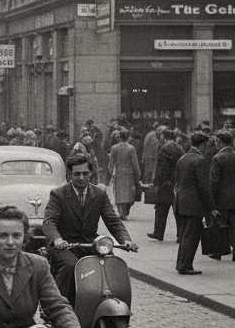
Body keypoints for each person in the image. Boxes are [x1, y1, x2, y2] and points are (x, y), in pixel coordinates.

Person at [42, 153, 136, 302]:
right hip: (65, 246)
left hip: (90, 244)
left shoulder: (99, 194)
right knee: (70, 266)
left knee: (111, 262)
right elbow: (49, 222)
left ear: (91, 173)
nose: (81, 178)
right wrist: (57, 239)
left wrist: (126, 240)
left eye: (85, 173)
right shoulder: (58, 195)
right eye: (77, 174)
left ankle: (113, 301)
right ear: (69, 175)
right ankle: (59, 305)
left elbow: (113, 221)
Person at [174, 131, 219, 276]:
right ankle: (185, 265)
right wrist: (211, 208)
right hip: (194, 204)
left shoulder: (183, 158)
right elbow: (204, 187)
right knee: (191, 236)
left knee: (184, 235)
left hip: (181, 202)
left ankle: (181, 262)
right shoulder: (199, 160)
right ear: (203, 144)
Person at [209, 129, 235, 263]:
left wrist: (211, 200)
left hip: (221, 199)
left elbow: (214, 181)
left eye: (216, 141)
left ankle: (218, 252)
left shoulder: (217, 158)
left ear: (219, 142)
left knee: (219, 224)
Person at [147, 128, 182, 242]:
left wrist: (157, 180)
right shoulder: (180, 148)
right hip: (176, 183)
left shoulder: (164, 149)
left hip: (165, 184)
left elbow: (162, 167)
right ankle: (180, 235)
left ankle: (158, 232)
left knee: (161, 209)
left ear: (164, 136)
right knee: (177, 211)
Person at [106, 128, 141, 220]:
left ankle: (121, 211)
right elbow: (135, 163)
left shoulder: (114, 148)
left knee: (119, 193)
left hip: (119, 173)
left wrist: (111, 173)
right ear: (128, 137)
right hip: (129, 174)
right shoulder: (131, 148)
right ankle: (125, 211)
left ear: (119, 137)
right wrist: (138, 175)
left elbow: (111, 163)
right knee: (129, 193)